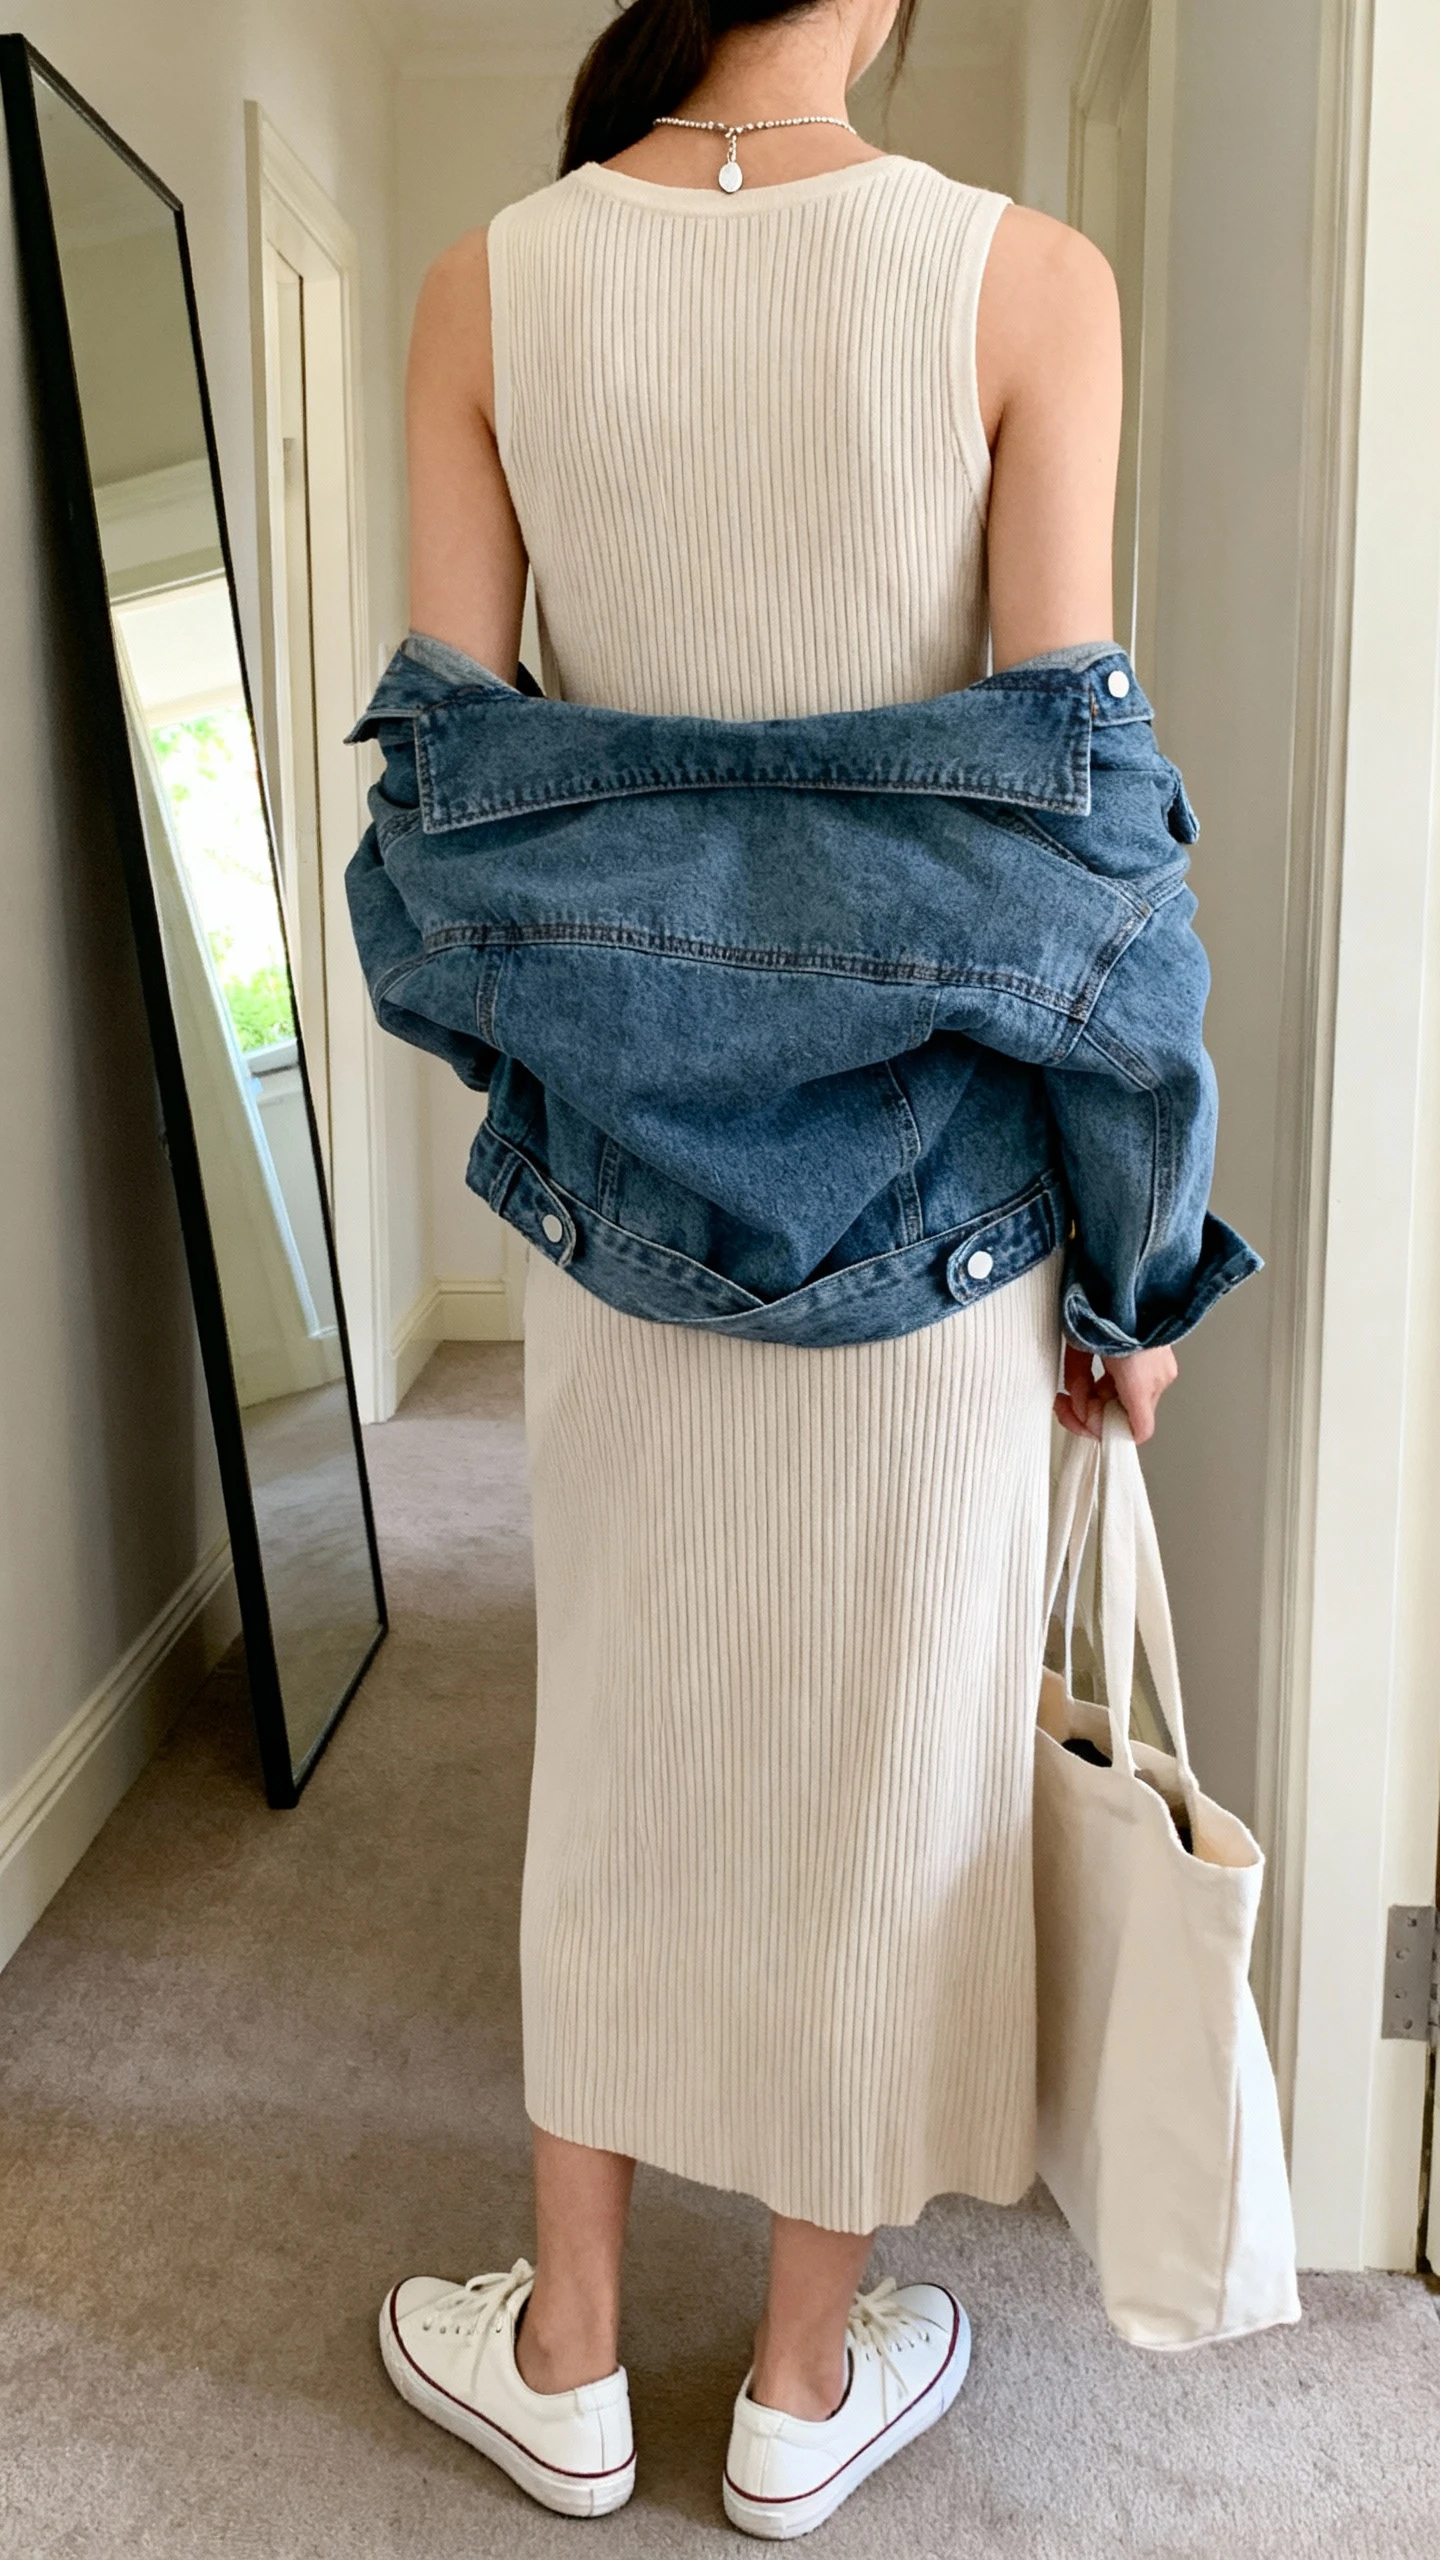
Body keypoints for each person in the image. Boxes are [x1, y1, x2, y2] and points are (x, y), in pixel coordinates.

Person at [378, 0, 1178, 2536]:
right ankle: (806, 2381)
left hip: (626, 1206)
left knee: (617, 1744)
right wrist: (1135, 1274)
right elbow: (1077, 871)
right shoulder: (1030, 282)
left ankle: (576, 2352)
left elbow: (465, 840)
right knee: (880, 1766)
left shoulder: (487, 290)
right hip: (944, 1218)